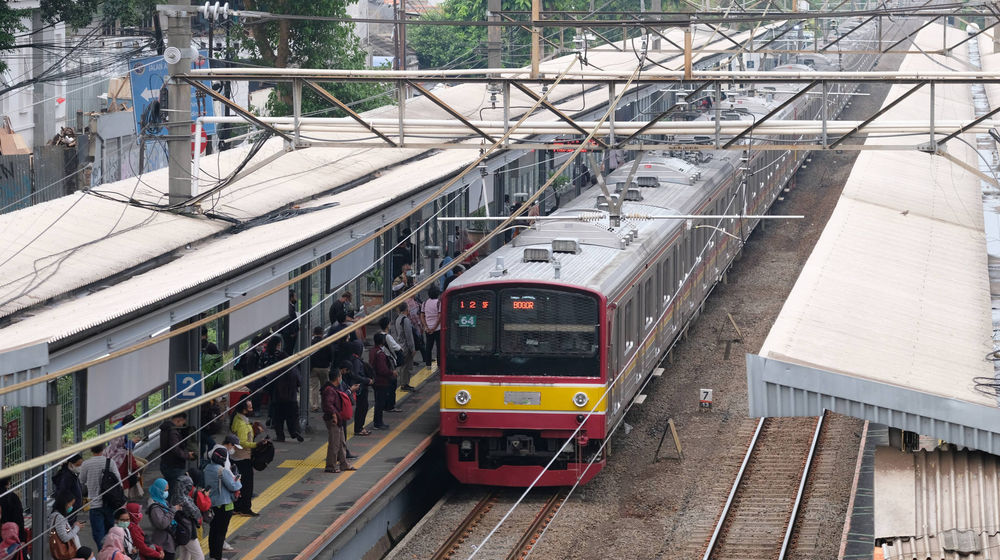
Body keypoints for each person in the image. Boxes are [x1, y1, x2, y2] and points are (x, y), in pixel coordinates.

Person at [79, 444, 122, 547]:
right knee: (111, 532)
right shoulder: (110, 462)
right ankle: (111, 553)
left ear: (91, 450)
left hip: (94, 504)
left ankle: (102, 553)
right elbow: (119, 482)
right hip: (110, 502)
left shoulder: (86, 464)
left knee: (98, 535)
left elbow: (81, 480)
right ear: (103, 449)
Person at [264, 336, 303, 443]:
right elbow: (300, 381)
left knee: (278, 419)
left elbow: (269, 380)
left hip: (278, 398)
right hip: (292, 398)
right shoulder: (293, 368)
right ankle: (295, 431)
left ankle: (280, 436)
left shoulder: (276, 369)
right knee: (293, 417)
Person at [204, 449, 241, 560]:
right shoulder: (221, 470)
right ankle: (218, 557)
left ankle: (213, 556)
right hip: (225, 504)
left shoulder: (207, 469)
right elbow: (234, 486)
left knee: (213, 530)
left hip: (212, 503)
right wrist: (237, 479)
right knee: (221, 532)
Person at [321, 370, 357, 474]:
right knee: (334, 443)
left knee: (341, 442)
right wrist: (334, 415)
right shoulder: (329, 390)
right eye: (340, 377)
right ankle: (330, 466)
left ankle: (344, 464)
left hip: (338, 418)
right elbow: (328, 404)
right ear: (338, 378)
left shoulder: (331, 388)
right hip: (333, 419)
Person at [229, 399, 259, 517]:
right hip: (243, 457)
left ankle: (237, 506)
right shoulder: (241, 424)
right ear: (244, 409)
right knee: (247, 485)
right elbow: (241, 442)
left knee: (238, 483)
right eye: (250, 407)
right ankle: (245, 508)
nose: (252, 409)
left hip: (236, 457)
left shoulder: (237, 418)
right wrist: (257, 444)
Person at [157, 413, 195, 491]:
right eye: (182, 422)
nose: (182, 425)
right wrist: (187, 455)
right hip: (174, 466)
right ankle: (172, 503)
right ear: (178, 420)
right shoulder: (173, 432)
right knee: (175, 490)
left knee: (168, 487)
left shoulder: (165, 429)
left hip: (165, 463)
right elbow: (175, 449)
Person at [171, 476, 203, 560]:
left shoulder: (175, 497)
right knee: (199, 556)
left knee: (185, 555)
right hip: (188, 530)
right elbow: (195, 513)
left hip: (182, 530)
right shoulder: (183, 499)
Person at [145, 480, 178, 560]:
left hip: (167, 541)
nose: (166, 492)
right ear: (158, 490)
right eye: (165, 490)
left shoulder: (162, 501)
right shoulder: (154, 507)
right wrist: (173, 511)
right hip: (162, 544)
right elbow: (162, 524)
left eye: (167, 490)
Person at [345, 341, 373, 437]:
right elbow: (356, 375)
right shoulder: (356, 361)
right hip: (360, 388)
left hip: (358, 387)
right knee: (362, 408)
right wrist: (366, 380)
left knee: (362, 408)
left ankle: (359, 427)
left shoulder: (352, 358)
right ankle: (359, 428)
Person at [369, 333, 395, 431]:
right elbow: (382, 370)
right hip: (381, 381)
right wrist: (391, 372)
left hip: (375, 380)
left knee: (378, 402)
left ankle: (378, 422)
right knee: (380, 403)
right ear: (382, 341)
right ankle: (378, 423)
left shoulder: (372, 351)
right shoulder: (380, 354)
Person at [391, 303, 417, 392]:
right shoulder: (405, 320)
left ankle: (403, 383)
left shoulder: (398, 319)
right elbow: (409, 336)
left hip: (400, 345)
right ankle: (404, 384)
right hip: (406, 346)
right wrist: (412, 348)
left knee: (403, 366)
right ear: (406, 309)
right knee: (407, 366)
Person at [378, 317, 402, 411]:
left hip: (384, 361)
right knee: (392, 385)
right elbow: (396, 347)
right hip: (390, 361)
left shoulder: (379, 335)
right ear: (387, 325)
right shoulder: (387, 336)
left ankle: (386, 405)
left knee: (387, 385)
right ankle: (390, 406)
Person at [52, 455, 84, 524]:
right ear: (70, 464)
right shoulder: (67, 476)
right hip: (68, 512)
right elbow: (63, 492)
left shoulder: (72, 474)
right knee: (67, 531)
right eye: (78, 465)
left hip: (71, 511)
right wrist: (71, 503)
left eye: (81, 465)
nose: (80, 467)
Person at [308, 326, 332, 412]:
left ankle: (315, 405)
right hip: (324, 368)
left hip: (313, 368)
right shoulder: (326, 343)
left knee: (314, 388)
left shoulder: (311, 343)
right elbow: (330, 356)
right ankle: (326, 404)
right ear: (322, 333)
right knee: (325, 387)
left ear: (314, 333)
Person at [420, 285, 442, 367]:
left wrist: (426, 326)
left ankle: (428, 364)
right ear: (437, 294)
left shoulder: (424, 303)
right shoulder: (439, 303)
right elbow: (440, 316)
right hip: (438, 329)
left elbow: (422, 316)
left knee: (428, 346)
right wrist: (434, 327)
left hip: (428, 329)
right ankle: (439, 364)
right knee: (439, 347)